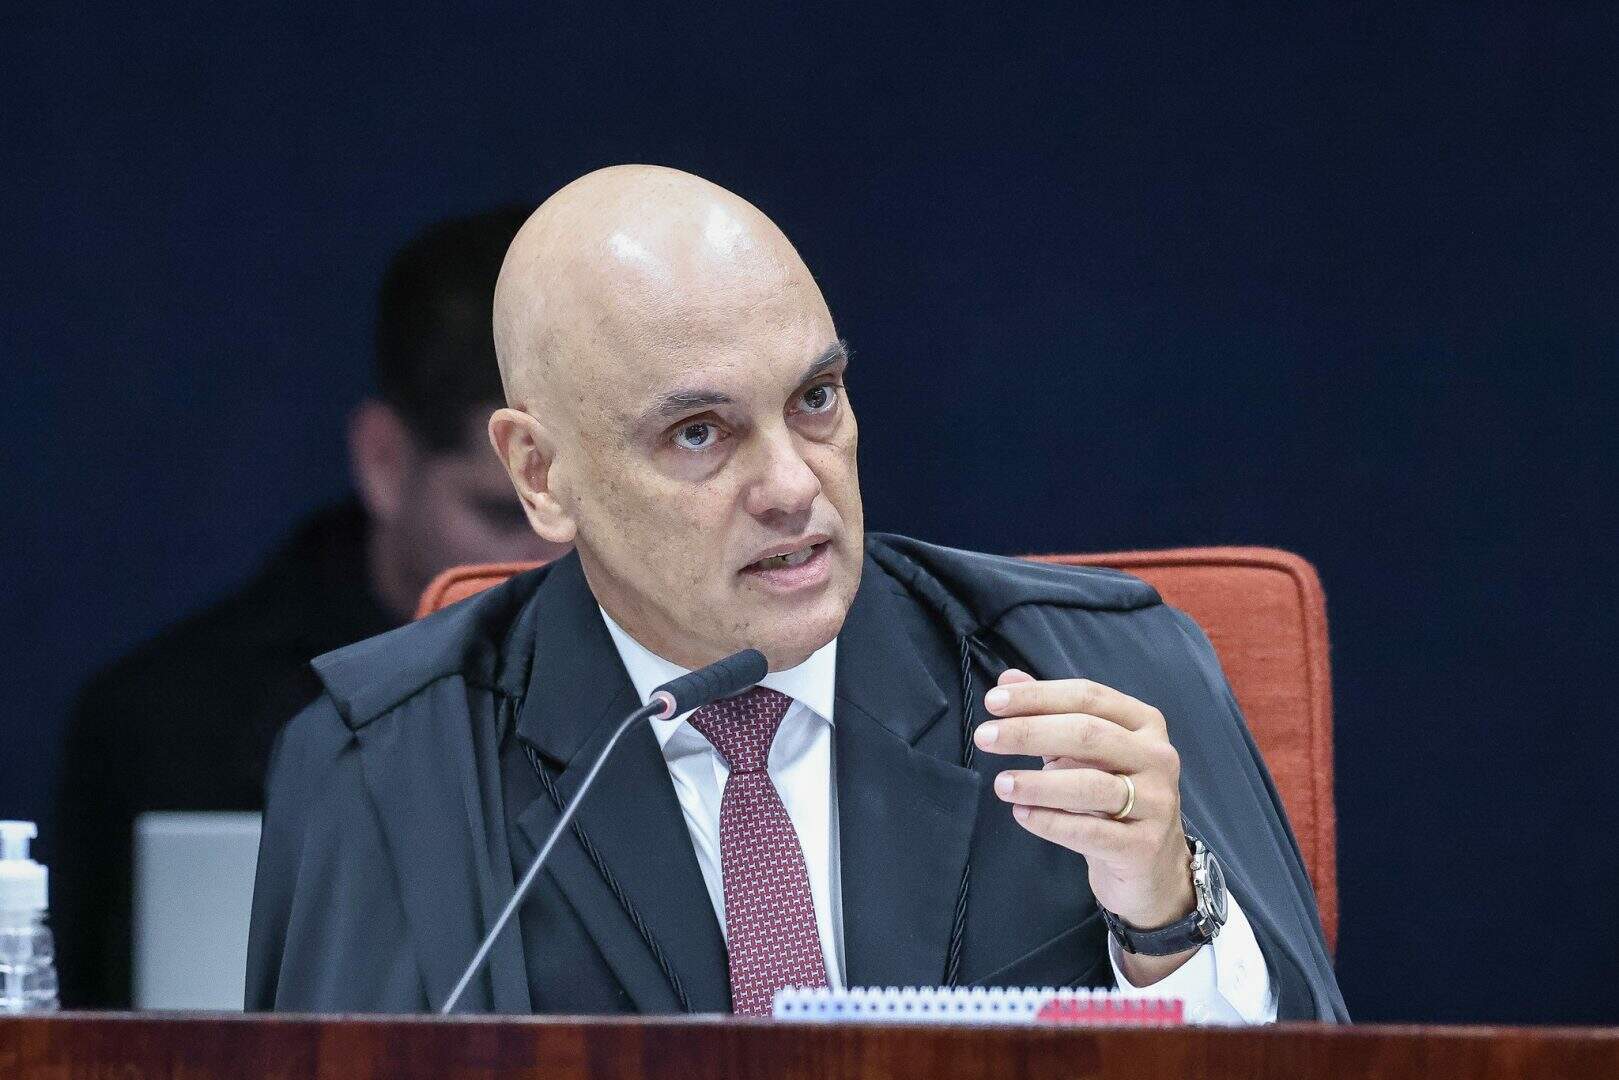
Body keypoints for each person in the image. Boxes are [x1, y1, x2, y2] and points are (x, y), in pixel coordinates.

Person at [246, 167, 1346, 1021]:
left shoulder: (1097, 672)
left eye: (815, 398)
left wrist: (1164, 924)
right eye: (698, 432)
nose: (791, 486)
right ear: (540, 474)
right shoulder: (389, 765)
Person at [53, 207, 570, 1007]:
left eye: (585, 513)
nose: (554, 561)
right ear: (385, 462)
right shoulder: (168, 725)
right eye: (503, 513)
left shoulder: (707, 693)